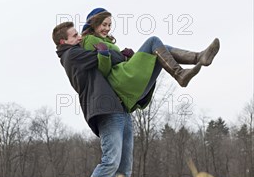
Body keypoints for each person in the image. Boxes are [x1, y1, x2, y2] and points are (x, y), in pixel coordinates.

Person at [52, 21, 136, 177]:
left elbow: (107, 60)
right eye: (74, 36)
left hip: (121, 110)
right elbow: (104, 56)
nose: (79, 37)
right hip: (106, 111)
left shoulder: (76, 50)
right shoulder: (71, 55)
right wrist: (119, 55)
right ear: (63, 42)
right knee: (111, 162)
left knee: (124, 169)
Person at [81, 7, 220, 113]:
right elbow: (101, 70)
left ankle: (198, 58)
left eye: (109, 25)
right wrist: (109, 55)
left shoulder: (104, 40)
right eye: (104, 25)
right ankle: (181, 73)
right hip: (121, 82)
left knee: (161, 50)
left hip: (128, 85)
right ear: (94, 24)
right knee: (153, 41)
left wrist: (125, 56)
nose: (107, 28)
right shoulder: (89, 39)